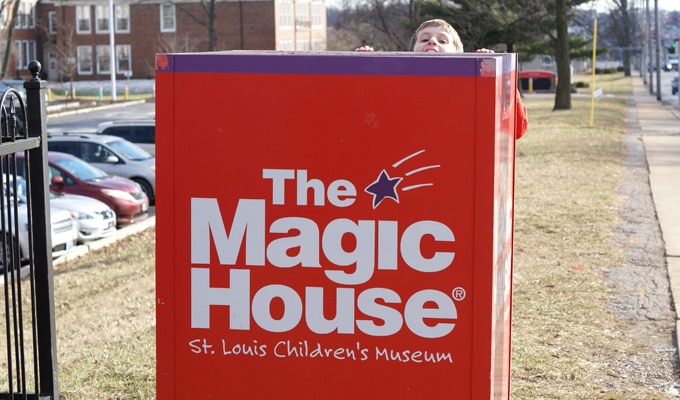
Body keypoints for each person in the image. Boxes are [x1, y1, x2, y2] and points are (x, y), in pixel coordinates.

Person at [356, 19, 528, 140]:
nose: (431, 41)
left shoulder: (472, 89)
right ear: (411, 51)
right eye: (424, 39)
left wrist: (500, 79)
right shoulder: (395, 86)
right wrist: (358, 69)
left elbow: (516, 129)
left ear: (459, 55)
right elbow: (364, 119)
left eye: (442, 40)